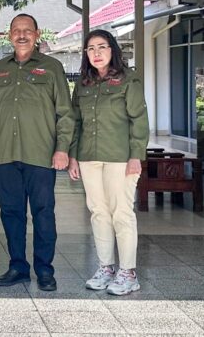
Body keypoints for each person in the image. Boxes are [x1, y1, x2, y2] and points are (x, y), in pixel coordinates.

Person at [0, 13, 74, 292]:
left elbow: (65, 112)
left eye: (27, 30)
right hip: (6, 156)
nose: (21, 35)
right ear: (9, 34)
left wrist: (62, 149)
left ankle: (45, 270)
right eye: (16, 30)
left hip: (41, 155)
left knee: (43, 213)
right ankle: (18, 267)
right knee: (11, 213)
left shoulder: (51, 67)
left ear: (37, 34)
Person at [68, 30, 149, 296]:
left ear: (112, 49)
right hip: (89, 157)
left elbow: (139, 119)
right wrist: (73, 156)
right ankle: (106, 267)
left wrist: (136, 155)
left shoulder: (129, 80)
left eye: (102, 47)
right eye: (91, 49)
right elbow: (76, 123)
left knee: (121, 213)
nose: (97, 53)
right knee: (98, 212)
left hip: (120, 158)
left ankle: (128, 272)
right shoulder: (83, 84)